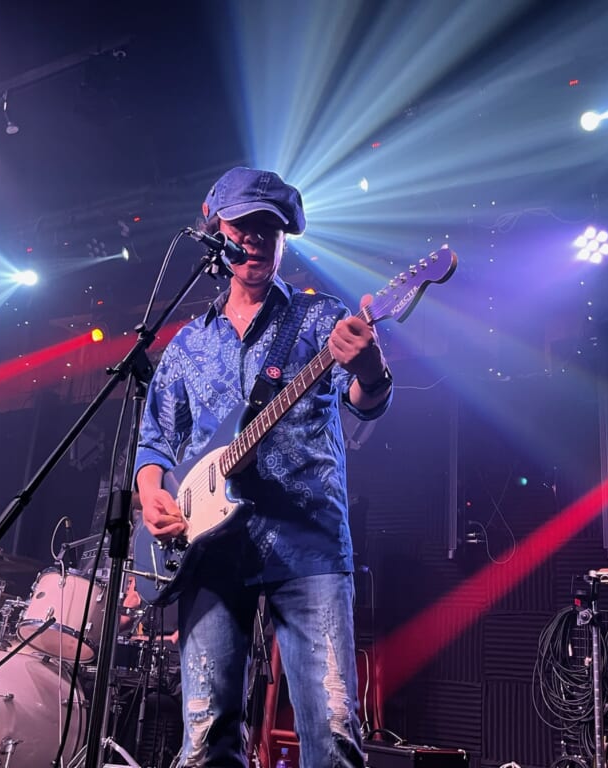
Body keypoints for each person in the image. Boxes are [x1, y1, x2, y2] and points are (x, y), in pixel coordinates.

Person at [135, 167, 393, 767]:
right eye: (241, 226)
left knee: (331, 731)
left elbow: (365, 404)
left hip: (307, 546)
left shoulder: (320, 318)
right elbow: (155, 441)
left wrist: (371, 366)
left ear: (284, 239)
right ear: (217, 233)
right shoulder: (188, 344)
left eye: (268, 229)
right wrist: (151, 494)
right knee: (204, 740)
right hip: (207, 551)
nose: (254, 238)